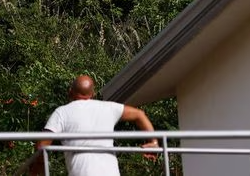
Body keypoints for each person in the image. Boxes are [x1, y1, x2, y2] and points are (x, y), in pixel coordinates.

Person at [29, 75, 157, 176]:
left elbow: (42, 145)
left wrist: (39, 165)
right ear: (93, 94)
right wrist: (154, 142)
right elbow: (139, 114)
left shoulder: (62, 112)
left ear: (70, 92)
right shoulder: (109, 108)